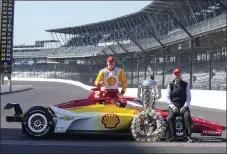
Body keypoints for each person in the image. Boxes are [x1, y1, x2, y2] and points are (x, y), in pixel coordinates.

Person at [166, 67, 194, 142]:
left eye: (178, 74)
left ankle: (188, 135)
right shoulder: (170, 85)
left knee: (187, 117)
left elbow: (189, 98)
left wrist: (185, 107)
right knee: (170, 117)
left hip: (183, 106)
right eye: (176, 74)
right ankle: (173, 135)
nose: (177, 76)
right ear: (173, 75)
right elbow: (168, 98)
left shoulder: (186, 85)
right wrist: (173, 107)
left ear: (181, 75)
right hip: (173, 106)